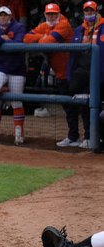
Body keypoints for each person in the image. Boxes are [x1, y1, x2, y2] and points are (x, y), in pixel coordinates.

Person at [24, 4, 76, 147]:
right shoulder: (45, 25)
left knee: (80, 106)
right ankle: (74, 137)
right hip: (60, 73)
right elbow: (26, 38)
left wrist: (42, 38)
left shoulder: (63, 24)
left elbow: (48, 43)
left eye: (53, 14)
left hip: (72, 72)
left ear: (59, 14)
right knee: (68, 107)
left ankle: (87, 138)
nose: (51, 16)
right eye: (48, 14)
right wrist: (42, 36)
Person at [0, 6, 27, 145]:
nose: (3, 17)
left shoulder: (18, 26)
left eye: (5, 15)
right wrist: (1, 39)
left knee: (16, 102)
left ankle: (19, 135)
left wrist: (2, 42)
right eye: (0, 15)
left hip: (17, 68)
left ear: (10, 16)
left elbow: (18, 44)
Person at [66, 1, 104, 149]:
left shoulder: (103, 26)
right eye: (86, 11)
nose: (89, 13)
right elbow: (73, 56)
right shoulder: (79, 30)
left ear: (97, 11)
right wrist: (70, 75)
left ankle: (95, 138)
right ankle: (87, 137)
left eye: (91, 11)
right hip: (83, 68)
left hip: (100, 71)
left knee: (98, 106)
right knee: (81, 98)